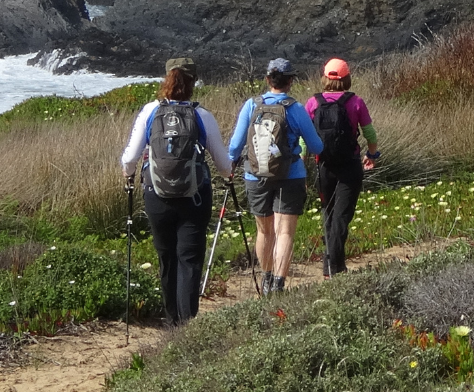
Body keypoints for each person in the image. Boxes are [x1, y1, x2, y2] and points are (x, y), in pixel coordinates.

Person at [119, 56, 231, 325]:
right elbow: (224, 165)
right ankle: (187, 324)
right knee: (189, 260)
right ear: (193, 82)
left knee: (166, 257)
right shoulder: (201, 115)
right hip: (194, 197)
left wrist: (129, 175)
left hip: (156, 195)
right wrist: (230, 173)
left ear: (166, 78)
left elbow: (129, 158)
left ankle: (171, 322)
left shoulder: (150, 112)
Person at [228, 57, 323, 293]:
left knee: (264, 230)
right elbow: (317, 146)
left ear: (268, 79)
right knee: (285, 231)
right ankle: (278, 285)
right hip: (291, 174)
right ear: (290, 81)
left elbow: (234, 147)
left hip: (255, 175)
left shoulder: (251, 105)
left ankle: (267, 277)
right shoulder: (296, 108)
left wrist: (233, 164)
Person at [305, 58, 381, 278]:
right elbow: (370, 134)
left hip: (323, 165)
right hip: (350, 165)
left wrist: (302, 160)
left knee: (328, 214)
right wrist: (372, 154)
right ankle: (337, 268)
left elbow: (304, 139)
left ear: (325, 77)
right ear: (347, 78)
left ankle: (330, 266)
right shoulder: (356, 102)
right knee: (341, 216)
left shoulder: (313, 103)